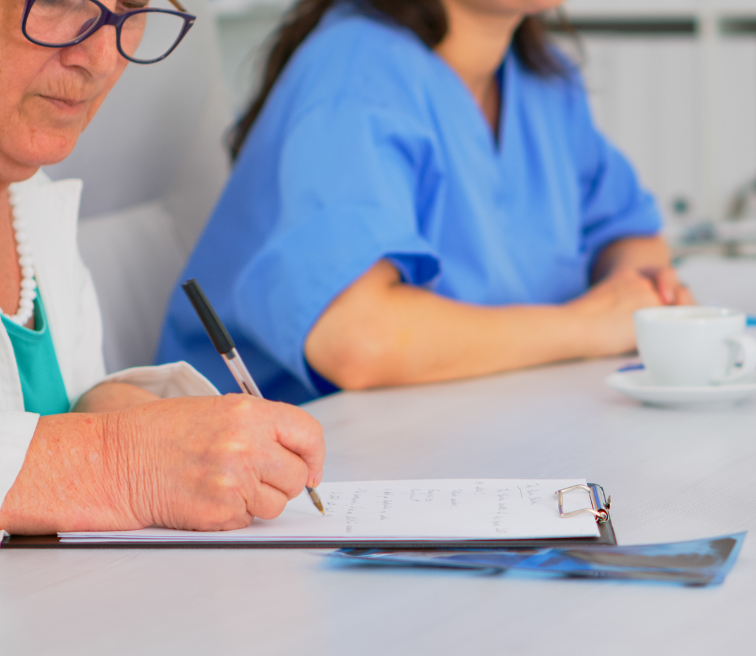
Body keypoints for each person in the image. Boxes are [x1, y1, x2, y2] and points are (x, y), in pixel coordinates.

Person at [158, 0, 692, 404]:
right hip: (302, 474)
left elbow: (629, 234)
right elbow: (357, 340)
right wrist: (589, 326)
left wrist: (638, 292)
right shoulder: (355, 73)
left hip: (483, 425)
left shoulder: (543, 80)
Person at [0, 0, 325, 535]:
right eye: (61, 1)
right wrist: (118, 460)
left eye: (130, 9)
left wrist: (107, 407)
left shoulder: (32, 202)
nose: (102, 57)